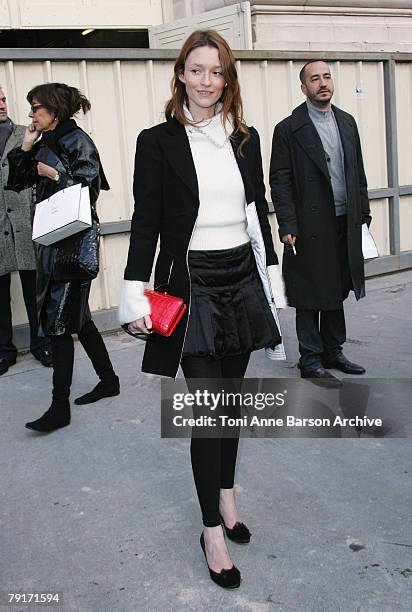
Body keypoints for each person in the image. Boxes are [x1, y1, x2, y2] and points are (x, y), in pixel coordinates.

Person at [119, 30, 286, 588]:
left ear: (227, 78)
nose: (206, 81)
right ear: (181, 74)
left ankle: (227, 498)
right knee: (208, 415)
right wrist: (134, 293)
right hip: (192, 284)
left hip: (241, 277)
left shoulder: (245, 137)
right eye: (196, 70)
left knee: (232, 405)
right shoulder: (157, 141)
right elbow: (145, 225)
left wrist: (273, 282)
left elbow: (255, 207)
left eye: (216, 71)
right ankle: (211, 530)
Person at [6, 82, 120, 432]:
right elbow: (16, 181)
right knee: (78, 317)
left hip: (73, 245)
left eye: (36, 107)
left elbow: (90, 190)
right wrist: (26, 145)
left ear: (54, 108)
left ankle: (59, 406)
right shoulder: (46, 141)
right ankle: (109, 380)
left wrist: (55, 174)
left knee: (57, 321)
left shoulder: (78, 141)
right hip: (52, 242)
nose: (31, 113)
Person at [270, 60, 371, 384]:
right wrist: (287, 225)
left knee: (338, 286)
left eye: (327, 76)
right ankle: (310, 359)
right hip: (310, 226)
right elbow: (280, 180)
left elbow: (357, 172)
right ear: (304, 88)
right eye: (315, 79)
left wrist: (363, 212)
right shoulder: (288, 129)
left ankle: (333, 350)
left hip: (345, 220)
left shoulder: (347, 122)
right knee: (310, 291)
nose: (322, 83)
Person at [0, 85, 52, 375]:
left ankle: (41, 342)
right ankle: (4, 349)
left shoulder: (28, 134)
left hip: (28, 222)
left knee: (36, 288)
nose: (2, 104)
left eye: (4, 98)